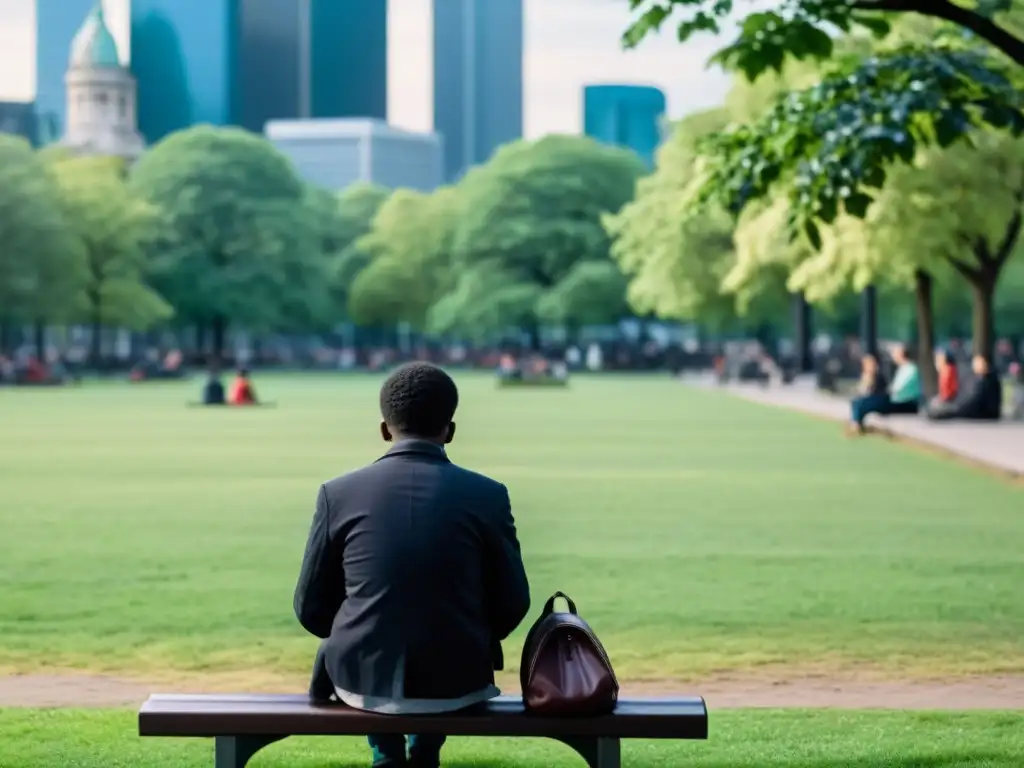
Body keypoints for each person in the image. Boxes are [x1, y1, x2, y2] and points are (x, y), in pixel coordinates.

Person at [293, 362, 530, 768]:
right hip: (459, 675)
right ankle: (423, 752)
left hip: (361, 675)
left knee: (376, 627)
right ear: (450, 431)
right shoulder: (488, 495)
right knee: (436, 625)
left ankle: (385, 754)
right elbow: (513, 601)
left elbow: (310, 606)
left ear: (385, 429)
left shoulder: (338, 493)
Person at [929, 354, 1003, 421]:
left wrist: (957, 407)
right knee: (944, 410)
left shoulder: (985, 380)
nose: (974, 366)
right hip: (977, 410)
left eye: (978, 363)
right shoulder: (981, 378)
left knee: (947, 412)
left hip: (984, 413)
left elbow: (974, 399)